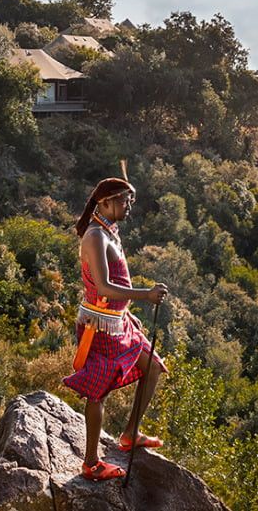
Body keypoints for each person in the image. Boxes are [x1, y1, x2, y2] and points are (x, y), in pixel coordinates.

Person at [63, 176, 169, 481]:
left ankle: (130, 433)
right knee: (97, 393)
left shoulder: (110, 231)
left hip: (117, 322)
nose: (128, 207)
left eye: (130, 201)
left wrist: (129, 312)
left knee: (153, 367)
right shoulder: (95, 236)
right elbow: (106, 288)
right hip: (99, 326)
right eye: (124, 201)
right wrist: (146, 295)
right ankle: (91, 463)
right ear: (104, 202)